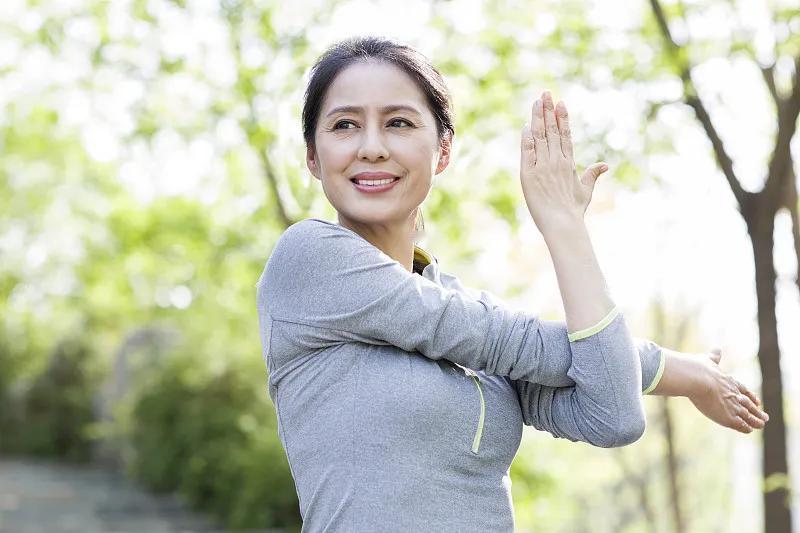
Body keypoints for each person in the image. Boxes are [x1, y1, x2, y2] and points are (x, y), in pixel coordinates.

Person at [255, 36, 769, 532]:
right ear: (313, 156)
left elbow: (612, 413)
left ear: (443, 151)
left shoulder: (459, 304)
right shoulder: (309, 260)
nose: (371, 147)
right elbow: (510, 340)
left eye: (398, 123)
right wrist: (686, 371)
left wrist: (565, 227)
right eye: (345, 124)